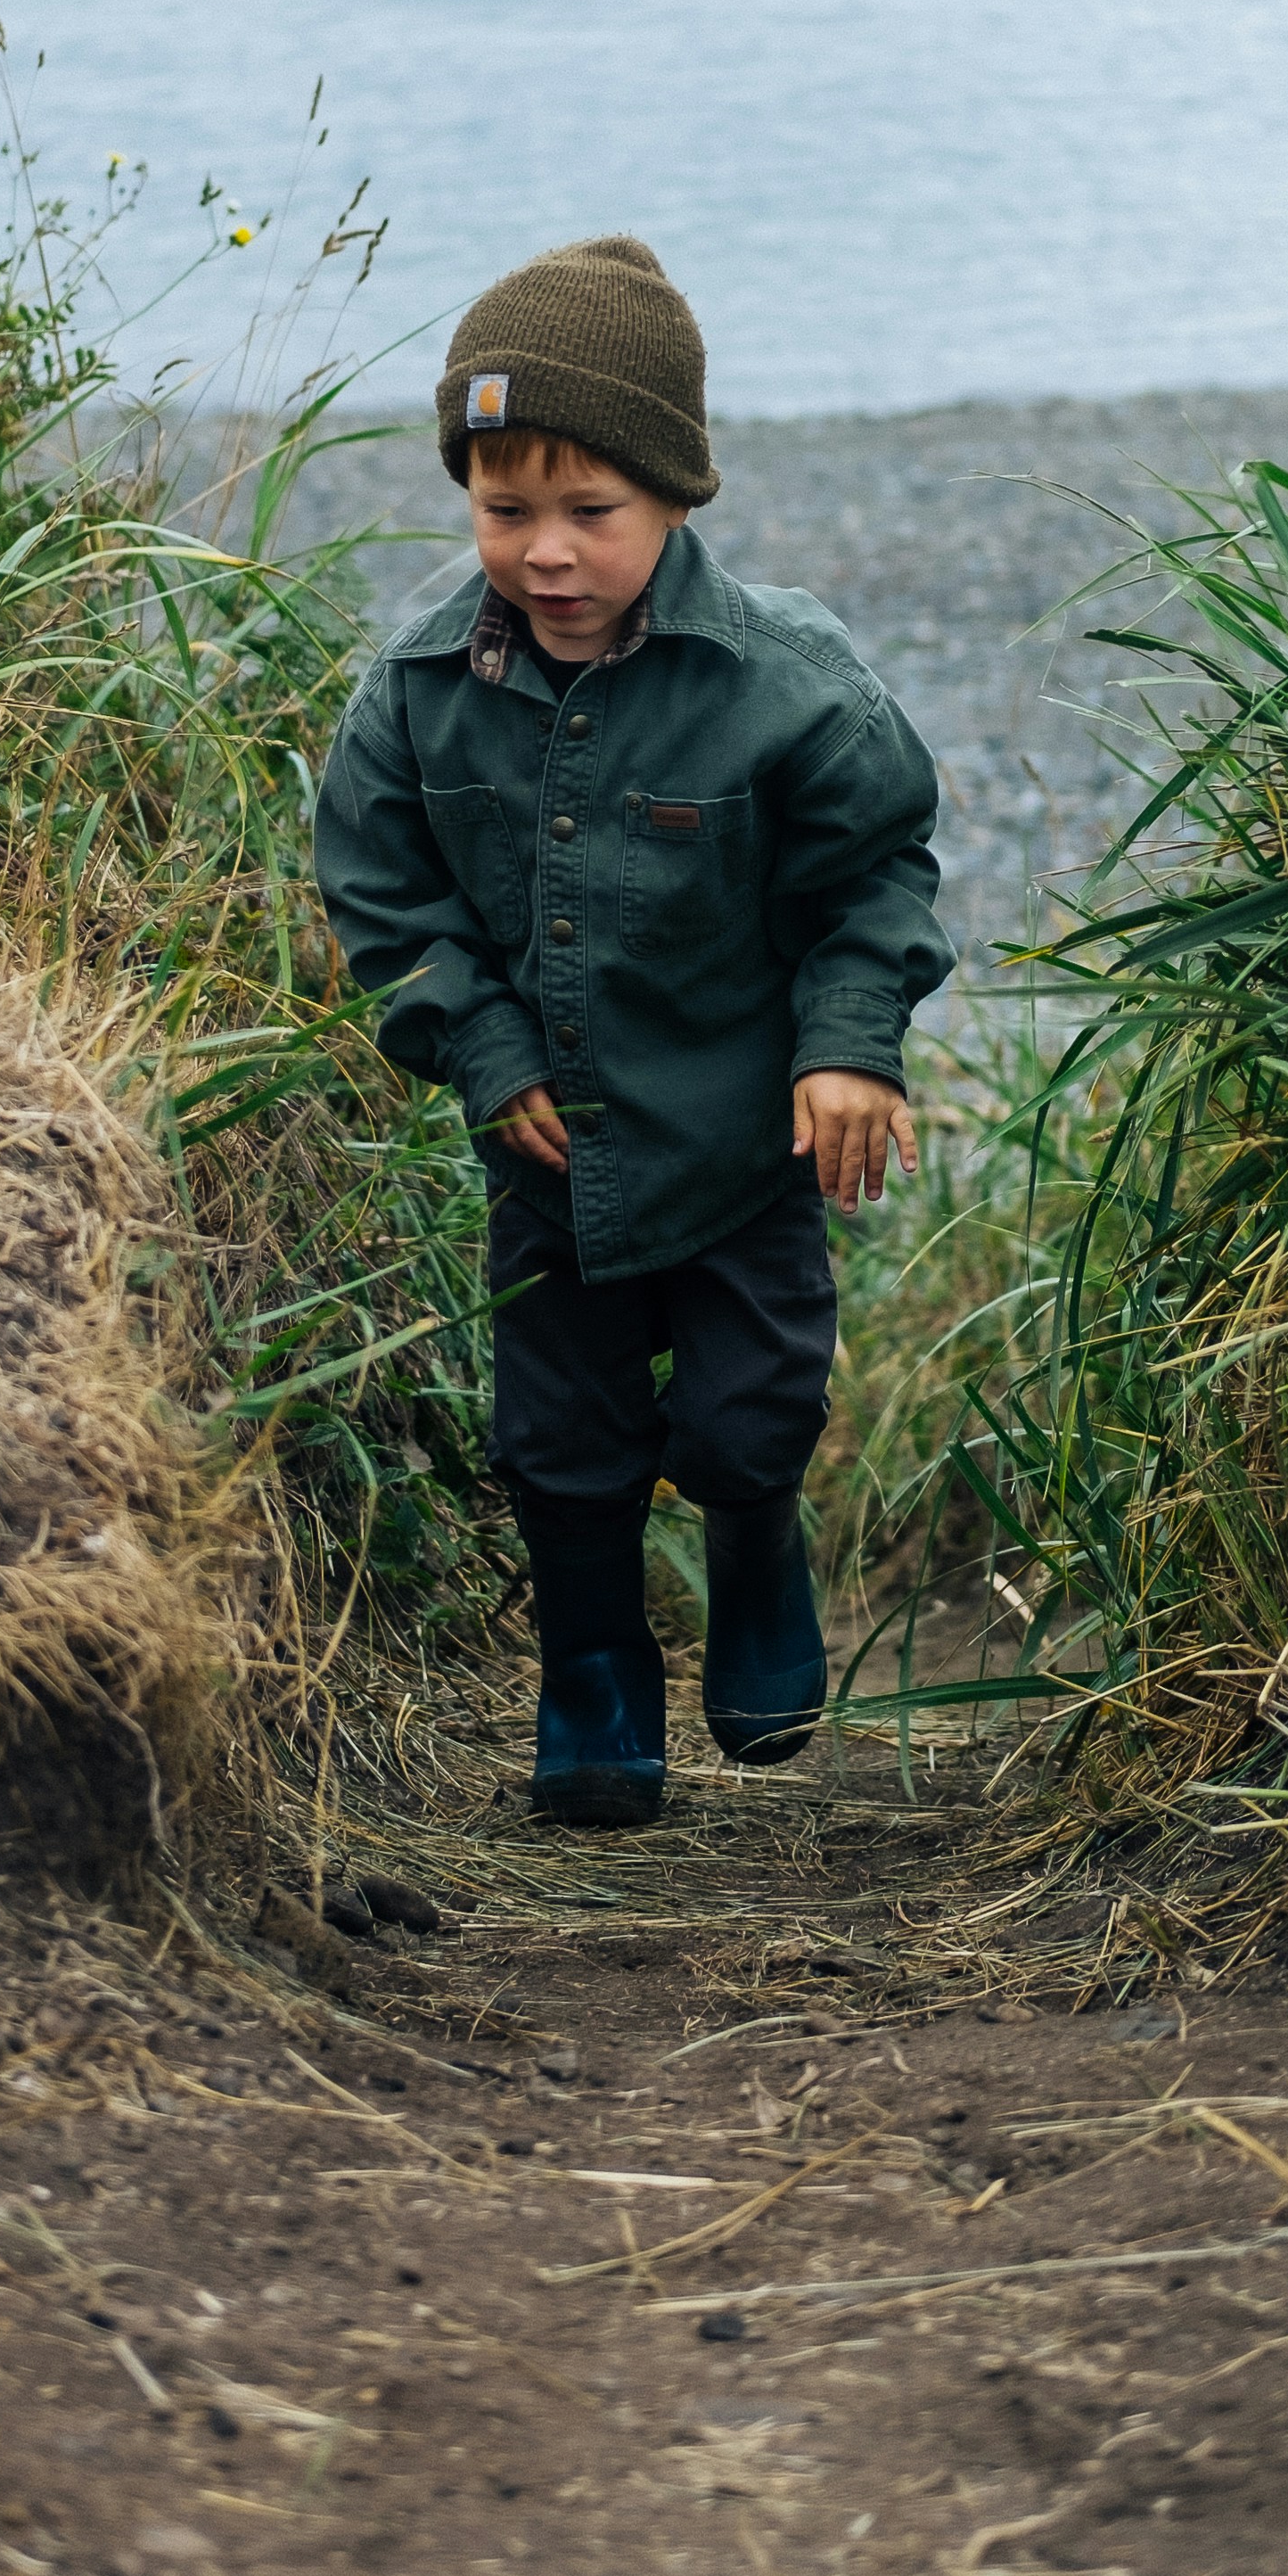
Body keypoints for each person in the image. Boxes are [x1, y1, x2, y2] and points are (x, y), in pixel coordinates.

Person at [313, 234, 953, 1824]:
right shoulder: (412, 689)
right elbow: (385, 898)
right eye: (502, 507)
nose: (544, 553)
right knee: (561, 1447)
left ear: (676, 497)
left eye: (589, 512)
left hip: (744, 1144)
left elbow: (874, 877)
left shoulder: (790, 685)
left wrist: (850, 1044)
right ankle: (592, 1677)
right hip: (549, 1151)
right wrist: (480, 1046)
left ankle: (755, 1557)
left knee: (753, 1416)